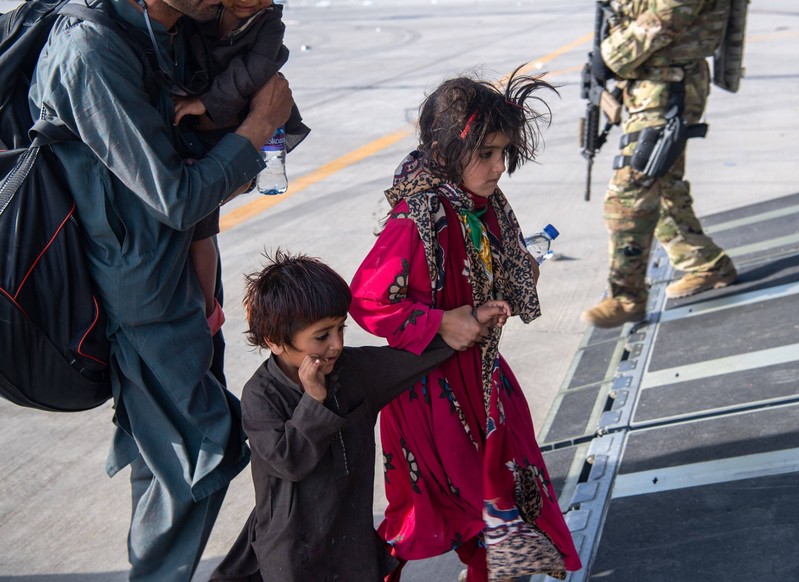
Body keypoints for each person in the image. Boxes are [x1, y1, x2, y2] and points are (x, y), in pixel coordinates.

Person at [28, 0, 294, 579]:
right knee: (202, 447)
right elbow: (175, 195)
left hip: (180, 272)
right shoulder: (91, 53)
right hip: (139, 288)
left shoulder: (175, 28)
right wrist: (256, 129)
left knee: (169, 449)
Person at [349, 68, 582, 581]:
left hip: (482, 379)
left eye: (505, 153)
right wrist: (440, 322)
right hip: (429, 395)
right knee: (440, 513)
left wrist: (505, 281)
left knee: (499, 503)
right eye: (487, 153)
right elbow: (368, 300)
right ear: (448, 150)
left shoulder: (484, 205)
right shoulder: (418, 217)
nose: (500, 166)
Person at [208, 251, 511, 581]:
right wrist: (314, 401)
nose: (336, 345)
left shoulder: (353, 371)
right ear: (275, 341)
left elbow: (408, 360)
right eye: (322, 336)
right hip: (293, 553)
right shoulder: (261, 395)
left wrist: (467, 325)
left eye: (341, 329)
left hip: (351, 545)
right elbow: (289, 462)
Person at [580, 0, 737, 329]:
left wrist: (611, 56)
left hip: (670, 83)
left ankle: (627, 297)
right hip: (649, 81)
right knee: (662, 183)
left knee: (630, 191)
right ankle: (705, 263)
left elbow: (670, 11)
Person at [173, 0, 311, 336]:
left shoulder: (269, 25)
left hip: (235, 123)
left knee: (202, 225)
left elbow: (252, 71)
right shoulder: (200, 12)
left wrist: (204, 103)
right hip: (196, 128)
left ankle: (208, 309)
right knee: (195, 220)